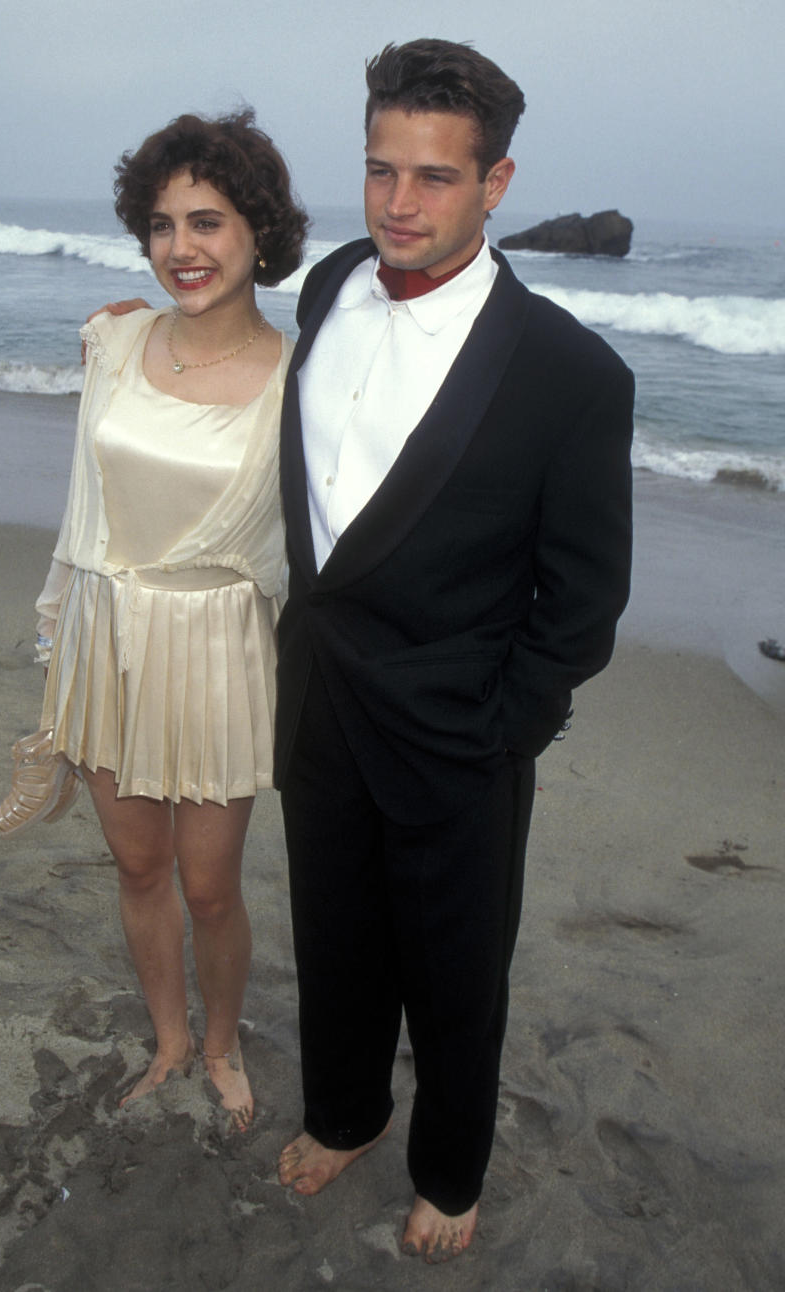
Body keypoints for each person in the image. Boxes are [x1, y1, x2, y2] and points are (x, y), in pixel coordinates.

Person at [271, 39, 634, 1261]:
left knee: (457, 969)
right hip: (322, 698)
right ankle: (347, 1111)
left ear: (497, 182)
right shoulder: (327, 285)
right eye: (380, 171)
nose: (398, 205)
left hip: (459, 725)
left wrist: (502, 723)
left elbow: (583, 599)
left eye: (433, 177)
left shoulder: (570, 372)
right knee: (333, 934)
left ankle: (451, 1163)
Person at [34, 109, 307, 1129]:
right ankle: (172, 1038)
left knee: (207, 886)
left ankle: (225, 1041)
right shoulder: (112, 337)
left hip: (218, 649)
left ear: (258, 233)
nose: (181, 249)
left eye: (208, 222)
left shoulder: (301, 378)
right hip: (105, 637)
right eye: (161, 225)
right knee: (138, 865)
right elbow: (89, 501)